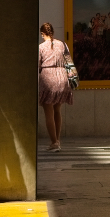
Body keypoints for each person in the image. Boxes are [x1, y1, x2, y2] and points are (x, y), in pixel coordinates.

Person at [38, 22, 74, 152]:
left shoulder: (41, 47)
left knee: (49, 112)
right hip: (62, 78)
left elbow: (38, 64)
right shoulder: (63, 45)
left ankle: (54, 142)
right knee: (57, 111)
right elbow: (69, 62)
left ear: (43, 34)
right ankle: (57, 140)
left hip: (48, 79)